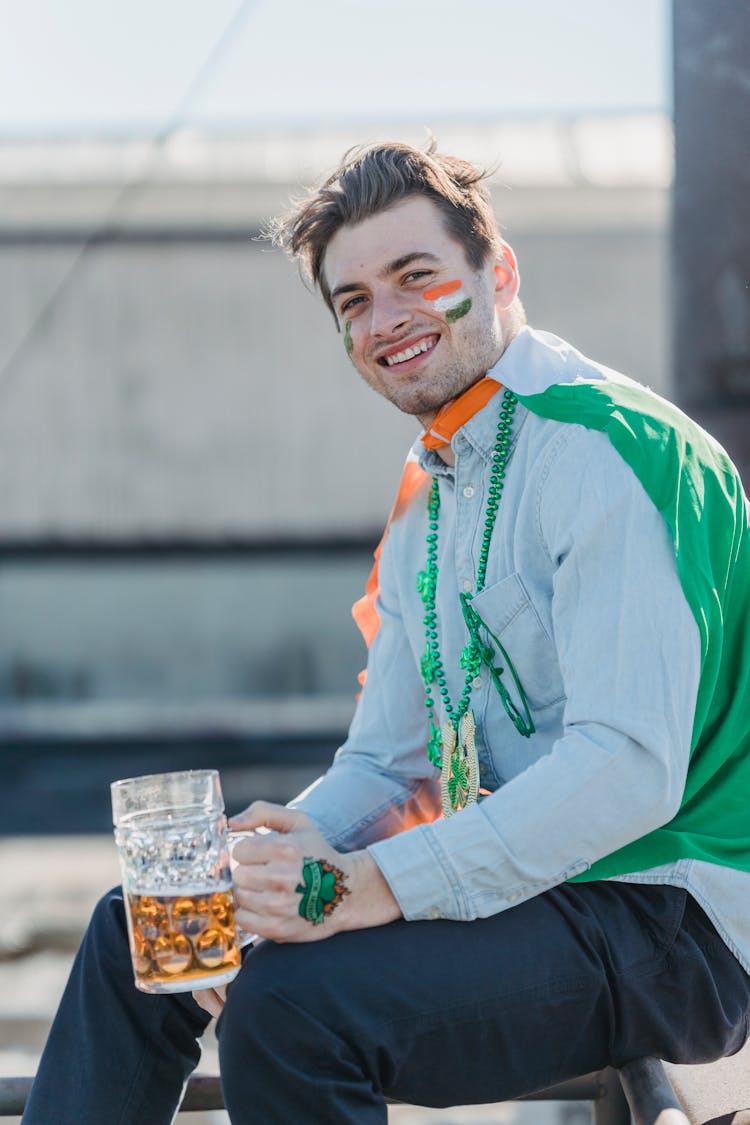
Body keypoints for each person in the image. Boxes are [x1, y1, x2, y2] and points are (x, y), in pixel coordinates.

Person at [23, 141, 750, 1125]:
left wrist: (375, 885)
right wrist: (290, 858)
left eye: (417, 277)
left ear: (498, 274)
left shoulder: (609, 450)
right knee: (145, 928)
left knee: (292, 1010)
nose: (388, 318)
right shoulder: (434, 490)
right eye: (353, 300)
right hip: (539, 893)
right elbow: (389, 758)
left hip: (671, 917)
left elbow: (626, 770)